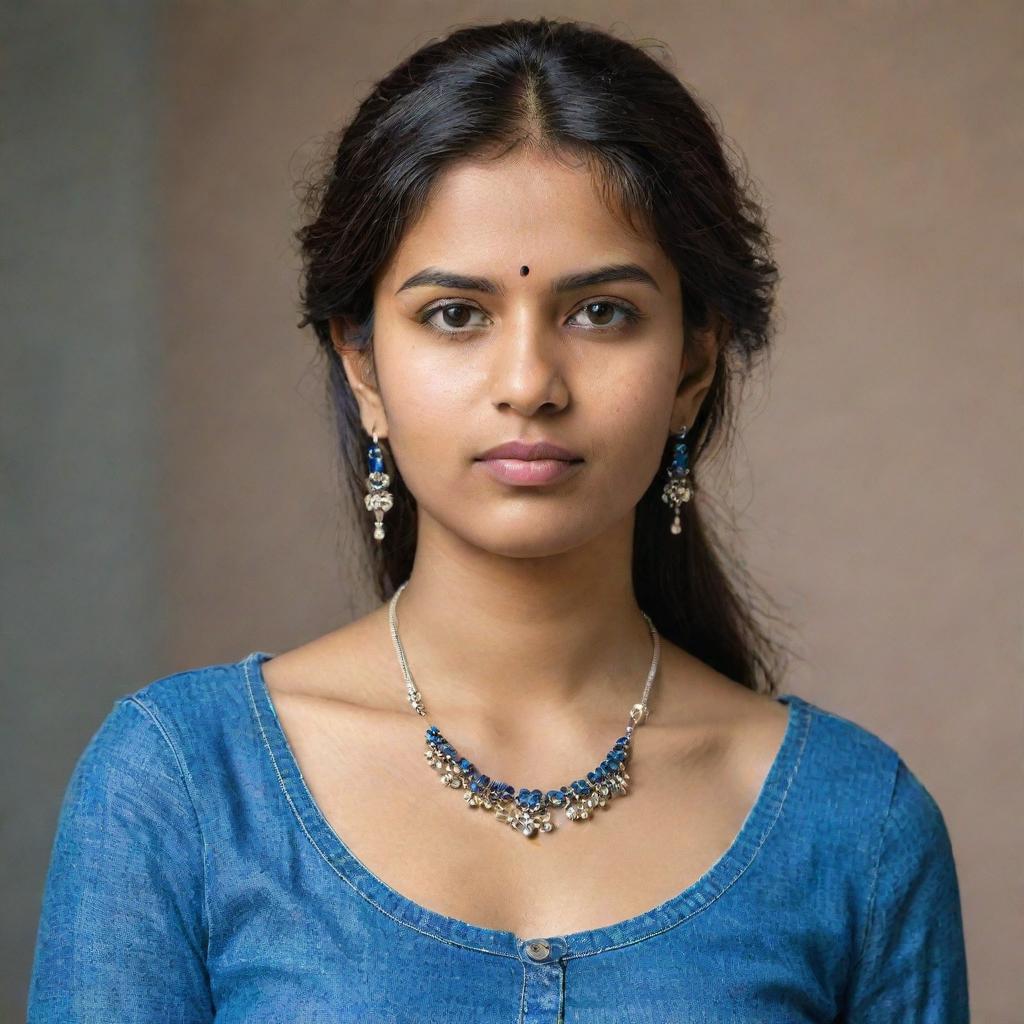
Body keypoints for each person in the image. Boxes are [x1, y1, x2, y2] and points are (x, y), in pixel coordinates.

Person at [27, 15, 969, 1022]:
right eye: (455, 314)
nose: (528, 384)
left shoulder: (852, 827)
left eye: (601, 311)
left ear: (692, 365)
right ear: (360, 363)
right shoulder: (183, 784)